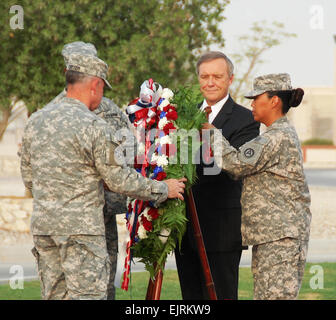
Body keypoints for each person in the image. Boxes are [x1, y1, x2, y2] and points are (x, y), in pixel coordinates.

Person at [20, 52, 186, 300]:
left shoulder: (36, 121)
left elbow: (29, 178)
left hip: (45, 230)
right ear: (96, 85)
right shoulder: (94, 126)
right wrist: (164, 189)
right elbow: (119, 179)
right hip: (82, 232)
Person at [203, 73, 312, 300]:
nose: (251, 104)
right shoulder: (276, 134)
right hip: (274, 237)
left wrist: (212, 133)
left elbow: (236, 163)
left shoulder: (276, 138)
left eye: (256, 98)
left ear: (274, 101)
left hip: (280, 240)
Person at [47, 41, 134, 300]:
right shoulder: (53, 112)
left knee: (104, 283)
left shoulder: (110, 111)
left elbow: (129, 150)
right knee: (64, 287)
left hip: (103, 213)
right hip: (68, 216)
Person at [174, 51, 260, 300]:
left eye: (217, 76)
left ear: (230, 79)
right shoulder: (180, 116)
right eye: (204, 76)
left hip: (221, 231)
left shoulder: (246, 119)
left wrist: (211, 136)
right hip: (184, 228)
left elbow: (236, 167)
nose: (210, 82)